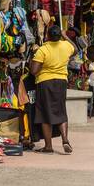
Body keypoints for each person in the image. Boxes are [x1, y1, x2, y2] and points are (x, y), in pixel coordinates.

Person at [29, 24, 77, 153]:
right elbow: (76, 49)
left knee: (45, 114)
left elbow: (34, 71)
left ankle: (48, 146)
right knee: (61, 111)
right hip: (61, 82)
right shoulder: (66, 45)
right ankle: (65, 139)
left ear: (48, 36)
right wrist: (66, 36)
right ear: (59, 36)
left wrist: (34, 57)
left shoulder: (43, 50)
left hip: (45, 82)